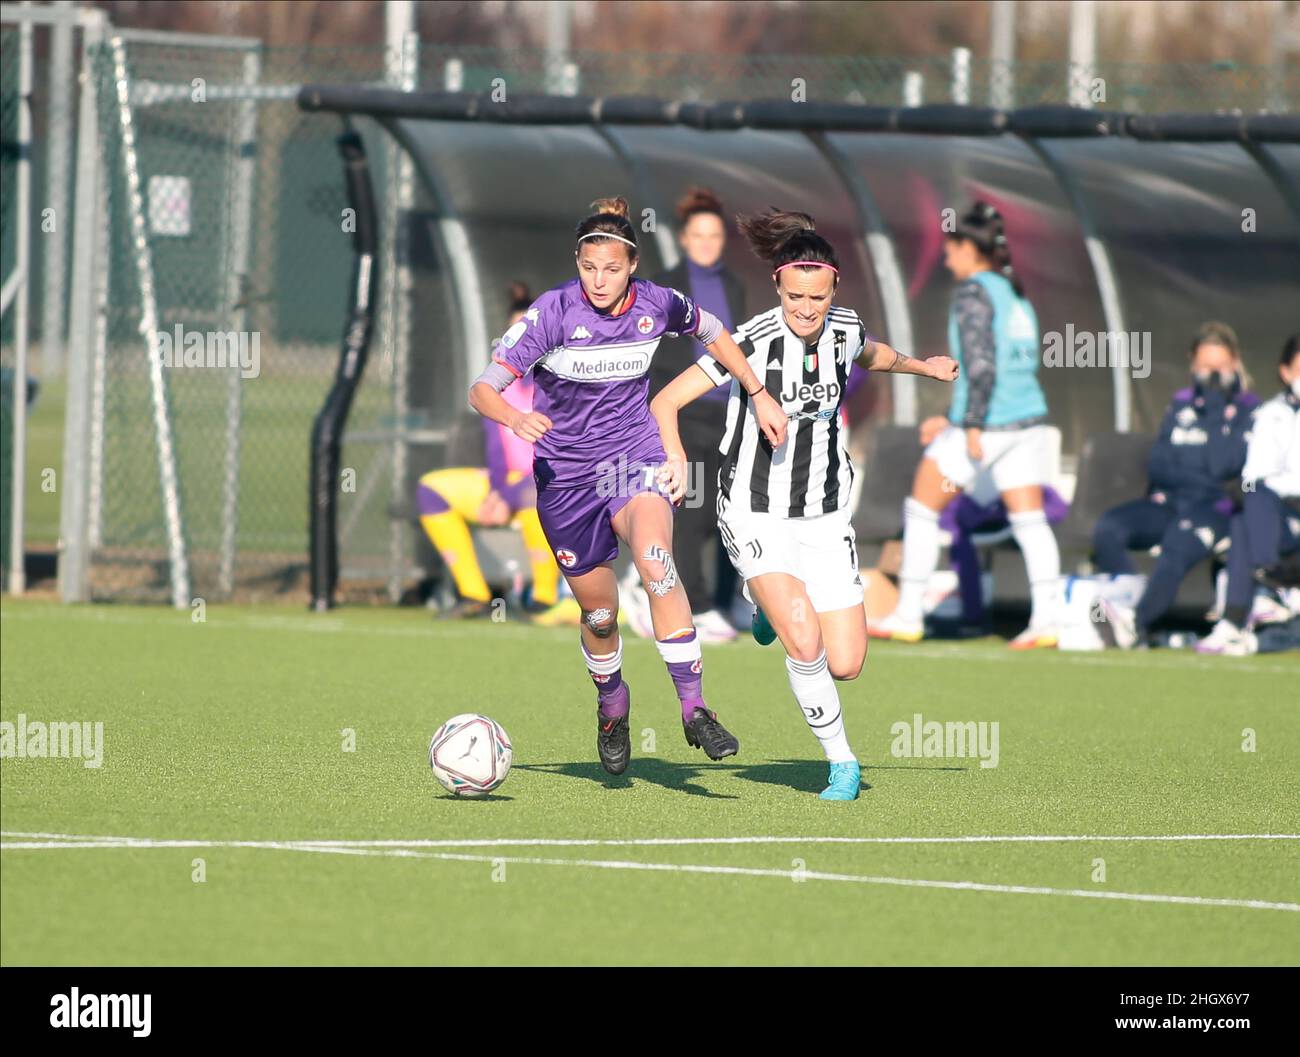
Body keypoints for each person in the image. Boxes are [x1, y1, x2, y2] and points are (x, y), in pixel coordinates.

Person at [468, 197, 789, 777]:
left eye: (612, 268)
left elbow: (714, 332)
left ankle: (695, 709)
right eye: (589, 267)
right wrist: (513, 418)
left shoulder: (658, 304)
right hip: (565, 479)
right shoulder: (551, 314)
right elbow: (484, 387)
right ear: (577, 262)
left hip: (631, 461)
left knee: (656, 560)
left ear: (633, 265)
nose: (599, 279)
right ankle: (612, 704)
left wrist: (757, 390)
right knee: (600, 618)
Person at [651, 208, 957, 800]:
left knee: (845, 662)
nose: (806, 308)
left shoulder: (843, 328)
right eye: (795, 296)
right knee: (803, 636)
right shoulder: (749, 343)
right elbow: (666, 401)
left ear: (834, 288)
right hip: (753, 507)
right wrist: (670, 458)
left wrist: (925, 367)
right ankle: (842, 763)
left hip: (823, 512)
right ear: (777, 287)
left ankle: (763, 598)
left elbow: (873, 355)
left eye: (817, 297)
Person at [870, 201, 1062, 648]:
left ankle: (909, 613)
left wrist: (970, 424)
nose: (945, 257)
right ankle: (1049, 621)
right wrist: (954, 417)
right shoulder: (1013, 290)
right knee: (1030, 521)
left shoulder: (974, 292)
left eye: (950, 248)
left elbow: (980, 365)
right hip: (1026, 420)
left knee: (921, 507)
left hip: (989, 423)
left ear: (967, 248)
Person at [1094, 322, 1258, 649]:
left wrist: (1214, 411)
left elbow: (1224, 466)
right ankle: (1133, 601)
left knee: (1179, 542)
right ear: (1192, 364)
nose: (1212, 376)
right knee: (1109, 528)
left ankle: (1135, 623)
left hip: (1216, 509)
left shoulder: (1248, 410)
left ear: (1235, 363)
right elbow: (1158, 464)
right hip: (1169, 503)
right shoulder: (1180, 404)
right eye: (1205, 367)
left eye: (1219, 368)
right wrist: (1197, 478)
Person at [419, 282, 575, 624]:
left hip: (544, 483)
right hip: (505, 483)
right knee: (431, 489)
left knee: (533, 491)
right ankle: (474, 594)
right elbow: (496, 449)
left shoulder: (562, 381)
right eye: (518, 330)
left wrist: (508, 493)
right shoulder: (498, 384)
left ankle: (543, 597)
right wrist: (496, 491)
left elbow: (556, 453)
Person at [644, 187, 747, 643]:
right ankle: (696, 605)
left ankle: (731, 601)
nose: (707, 243)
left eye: (714, 236)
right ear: (685, 239)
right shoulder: (664, 287)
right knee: (691, 509)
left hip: (730, 417)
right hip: (683, 414)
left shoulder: (735, 287)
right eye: (698, 235)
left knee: (727, 512)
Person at [1197, 334, 1300, 655]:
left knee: (1247, 517)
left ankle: (1251, 607)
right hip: (1277, 512)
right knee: (1250, 499)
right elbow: (1254, 474)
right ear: (1286, 372)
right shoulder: (1271, 414)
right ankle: (1251, 607)